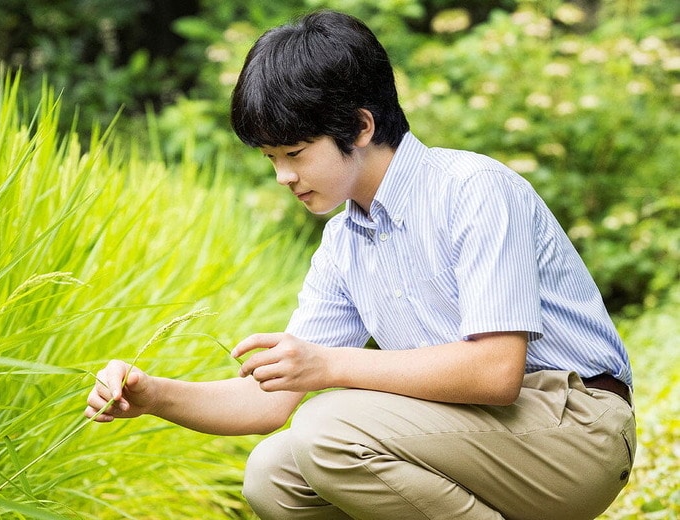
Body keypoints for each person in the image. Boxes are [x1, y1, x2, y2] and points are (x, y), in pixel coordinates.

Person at [85, 10, 635, 520]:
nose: (282, 176)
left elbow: (495, 372)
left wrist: (330, 367)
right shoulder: (344, 242)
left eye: (295, 153)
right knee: (273, 476)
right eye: (271, 158)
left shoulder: (474, 191)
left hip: (575, 428)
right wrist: (154, 395)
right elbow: (267, 401)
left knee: (327, 428)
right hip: (478, 433)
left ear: (362, 127)